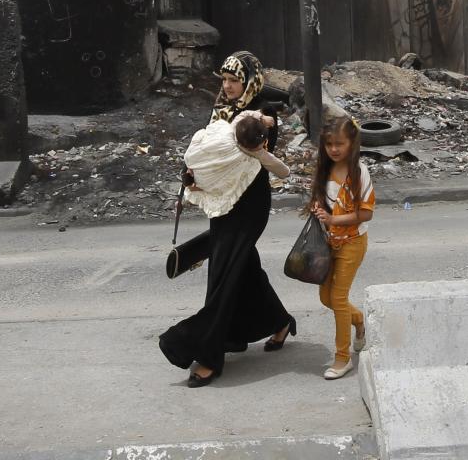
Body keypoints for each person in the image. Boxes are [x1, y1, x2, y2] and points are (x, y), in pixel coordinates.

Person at [160, 51, 296, 388]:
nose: (228, 86)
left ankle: (206, 354)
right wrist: (193, 176)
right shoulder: (221, 110)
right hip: (223, 204)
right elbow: (209, 153)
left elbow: (260, 151)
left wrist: (262, 127)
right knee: (243, 269)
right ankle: (279, 321)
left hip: (249, 205)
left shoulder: (263, 111)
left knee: (222, 275)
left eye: (234, 80)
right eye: (224, 80)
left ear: (249, 81)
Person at [308, 117, 375, 380]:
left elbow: (366, 214)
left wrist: (334, 219)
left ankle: (342, 358)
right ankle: (359, 322)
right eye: (329, 144)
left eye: (339, 144)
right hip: (328, 244)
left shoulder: (360, 172)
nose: (334, 149)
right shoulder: (324, 170)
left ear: (352, 143)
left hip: (353, 243)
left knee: (337, 298)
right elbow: (320, 202)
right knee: (326, 299)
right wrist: (318, 209)